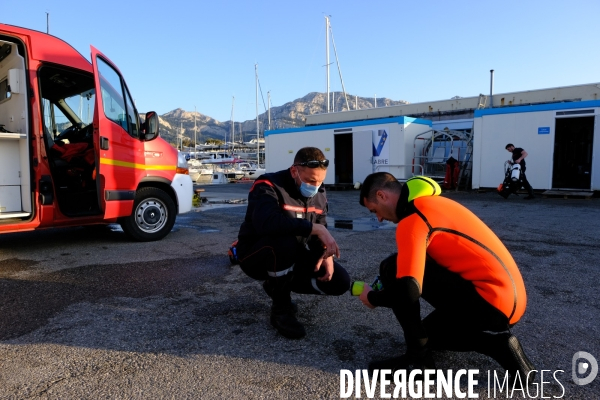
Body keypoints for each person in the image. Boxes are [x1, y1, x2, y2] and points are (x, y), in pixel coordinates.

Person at [357, 173, 535, 383]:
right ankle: (498, 344)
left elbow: (408, 290)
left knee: (391, 267)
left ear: (382, 195)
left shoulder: (414, 218)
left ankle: (419, 363)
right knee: (429, 335)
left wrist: (374, 298)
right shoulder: (433, 203)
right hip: (507, 302)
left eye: (374, 210)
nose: (378, 218)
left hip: (490, 303)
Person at [236, 147, 350, 339]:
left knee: (339, 281)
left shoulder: (319, 194)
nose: (315, 186)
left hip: (291, 255)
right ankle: (281, 309)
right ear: (294, 171)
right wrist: (316, 229)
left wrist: (324, 253)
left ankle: (276, 286)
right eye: (311, 180)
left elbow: (318, 230)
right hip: (255, 255)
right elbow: (266, 223)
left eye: (320, 180)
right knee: (283, 242)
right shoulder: (268, 185)